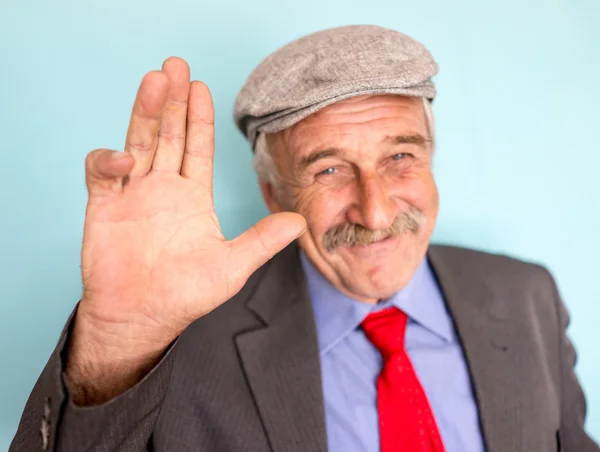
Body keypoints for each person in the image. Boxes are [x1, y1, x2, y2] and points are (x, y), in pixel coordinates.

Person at [9, 25, 599, 452]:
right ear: (273, 193)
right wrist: (118, 346)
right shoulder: (181, 347)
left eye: (400, 156)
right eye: (329, 170)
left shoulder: (527, 293)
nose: (374, 211)